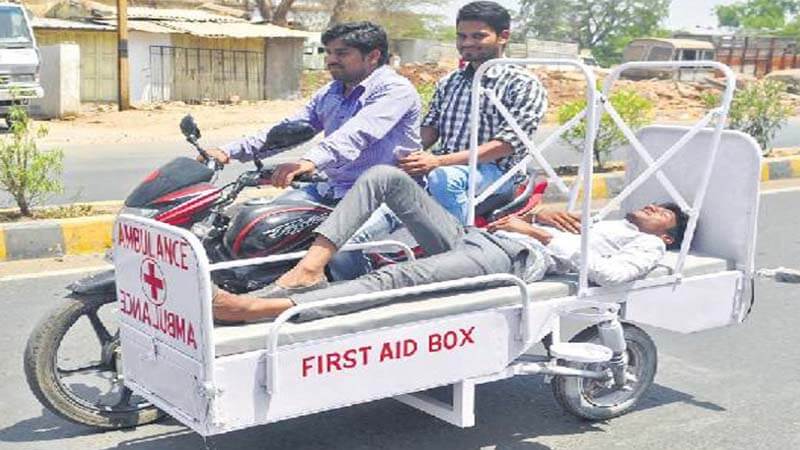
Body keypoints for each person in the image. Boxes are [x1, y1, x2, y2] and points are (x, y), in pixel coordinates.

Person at [212, 166, 689, 323]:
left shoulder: (648, 250)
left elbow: (609, 276)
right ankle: (312, 266)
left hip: (505, 255)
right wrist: (538, 215)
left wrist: (537, 233)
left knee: (393, 278)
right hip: (479, 235)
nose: (650, 207)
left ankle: (254, 310)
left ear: (666, 235)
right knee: (386, 178)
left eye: (661, 211)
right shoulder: (607, 223)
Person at [203, 21, 421, 206]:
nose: (330, 60)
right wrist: (228, 151)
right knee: (261, 225)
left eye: (341, 53)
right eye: (328, 52)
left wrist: (310, 161)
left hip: (386, 196)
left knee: (335, 248)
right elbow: (290, 128)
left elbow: (356, 134)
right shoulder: (332, 90)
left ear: (373, 56)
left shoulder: (394, 90)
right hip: (334, 188)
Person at [398, 1, 548, 224]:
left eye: (478, 36)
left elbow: (506, 145)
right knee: (382, 187)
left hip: (496, 175)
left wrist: (439, 162)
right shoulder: (450, 81)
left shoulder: (522, 83)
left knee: (444, 179)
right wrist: (404, 156)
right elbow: (430, 129)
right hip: (443, 166)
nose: (467, 43)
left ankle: (462, 245)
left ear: (503, 36)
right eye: (462, 36)